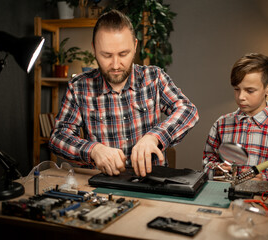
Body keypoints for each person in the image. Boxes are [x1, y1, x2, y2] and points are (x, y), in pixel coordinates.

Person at [49, 10, 199, 177]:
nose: (115, 65)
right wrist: (93, 150)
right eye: (106, 55)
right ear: (94, 48)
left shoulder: (154, 78)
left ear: (135, 46)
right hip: (104, 187)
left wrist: (154, 137)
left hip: (153, 183)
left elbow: (187, 110)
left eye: (123, 54)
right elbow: (58, 137)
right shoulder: (79, 87)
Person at [202, 53, 268, 189]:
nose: (241, 97)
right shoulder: (222, 124)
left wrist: (265, 180)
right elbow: (206, 165)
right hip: (223, 198)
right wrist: (217, 169)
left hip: (264, 203)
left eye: (250, 90)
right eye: (237, 89)